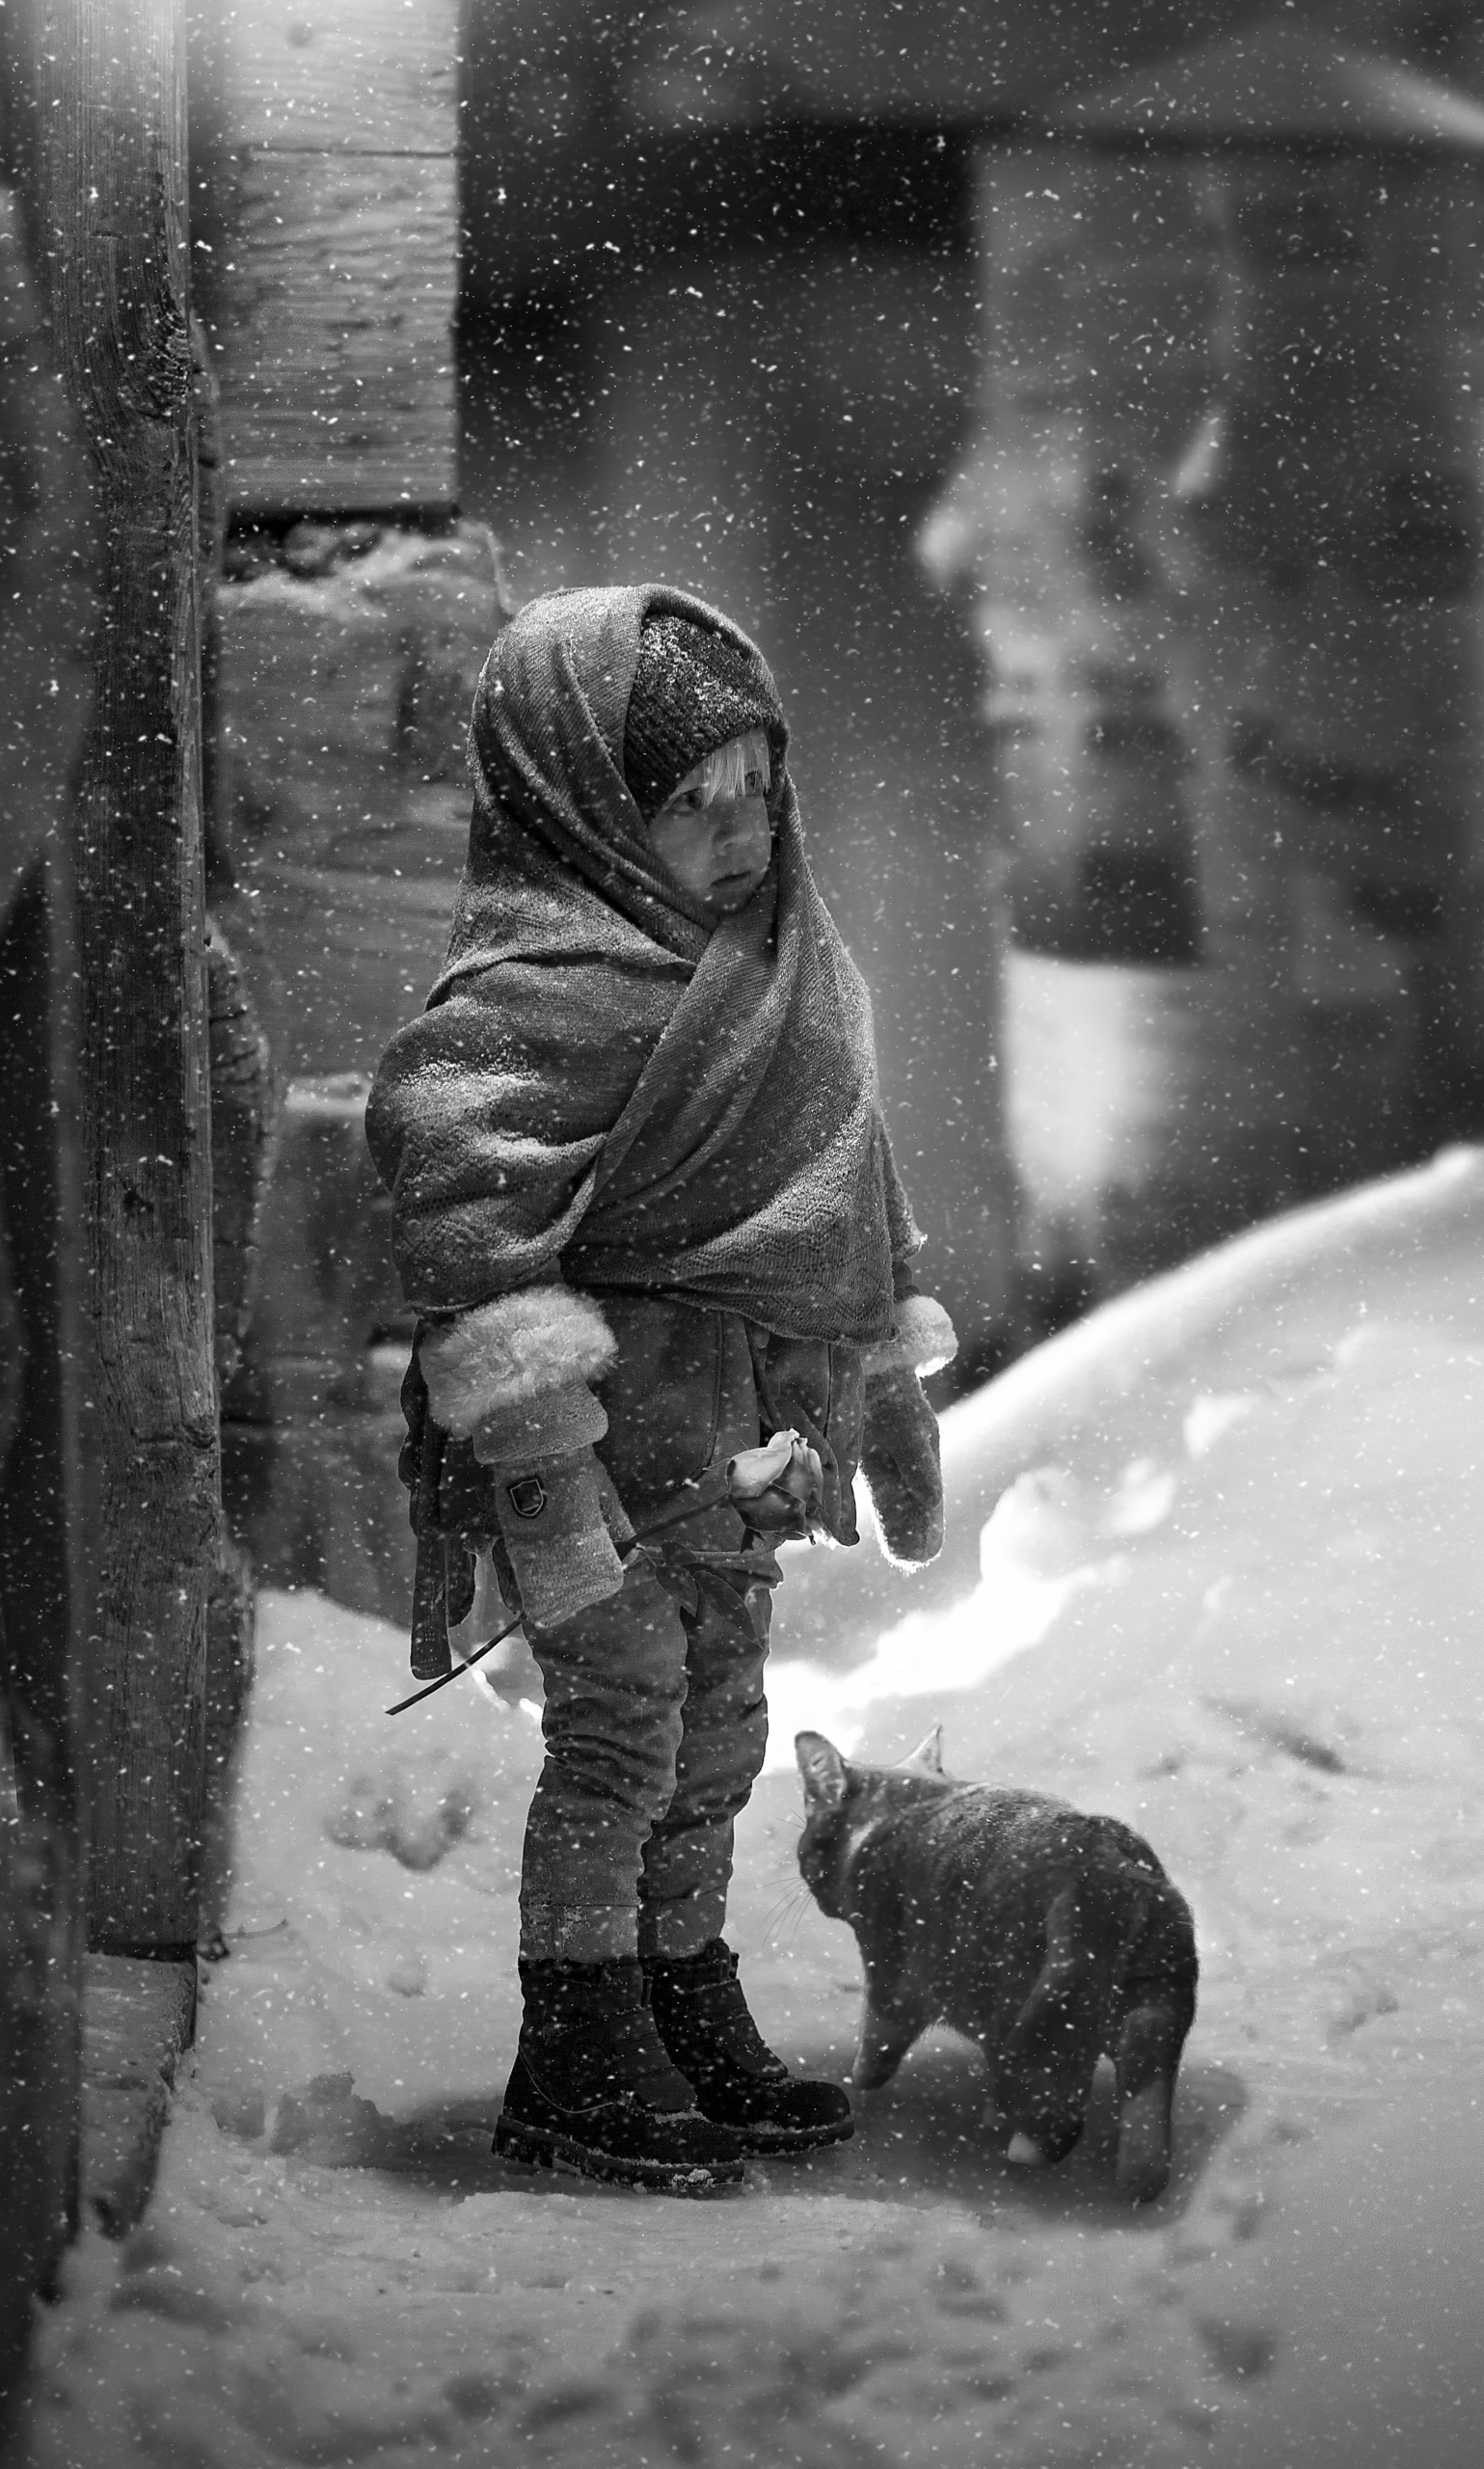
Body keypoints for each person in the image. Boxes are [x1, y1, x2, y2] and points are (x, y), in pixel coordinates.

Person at [366, 584, 955, 2195]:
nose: (741, 833)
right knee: (618, 1733)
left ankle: (685, 1993)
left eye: (759, 790)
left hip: (748, 1451)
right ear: (570, 806)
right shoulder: (518, 1014)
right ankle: (576, 2039)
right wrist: (547, 1481)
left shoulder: (791, 976)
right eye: (689, 805)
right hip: (607, 1457)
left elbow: (847, 1174)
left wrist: (880, 1357)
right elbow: (470, 1232)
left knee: (720, 1732)